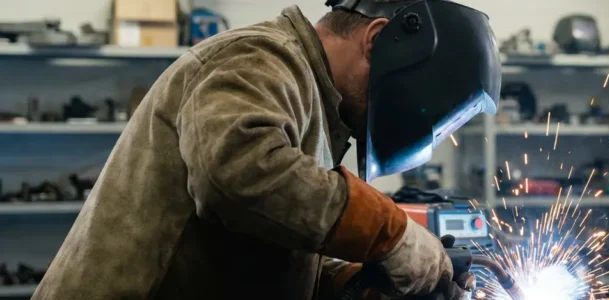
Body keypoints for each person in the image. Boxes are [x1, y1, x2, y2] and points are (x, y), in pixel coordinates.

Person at [32, 0, 499, 299]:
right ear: (377, 40)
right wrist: (390, 233)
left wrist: (350, 282)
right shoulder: (260, 59)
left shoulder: (319, 103)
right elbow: (235, 175)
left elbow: (265, 239)